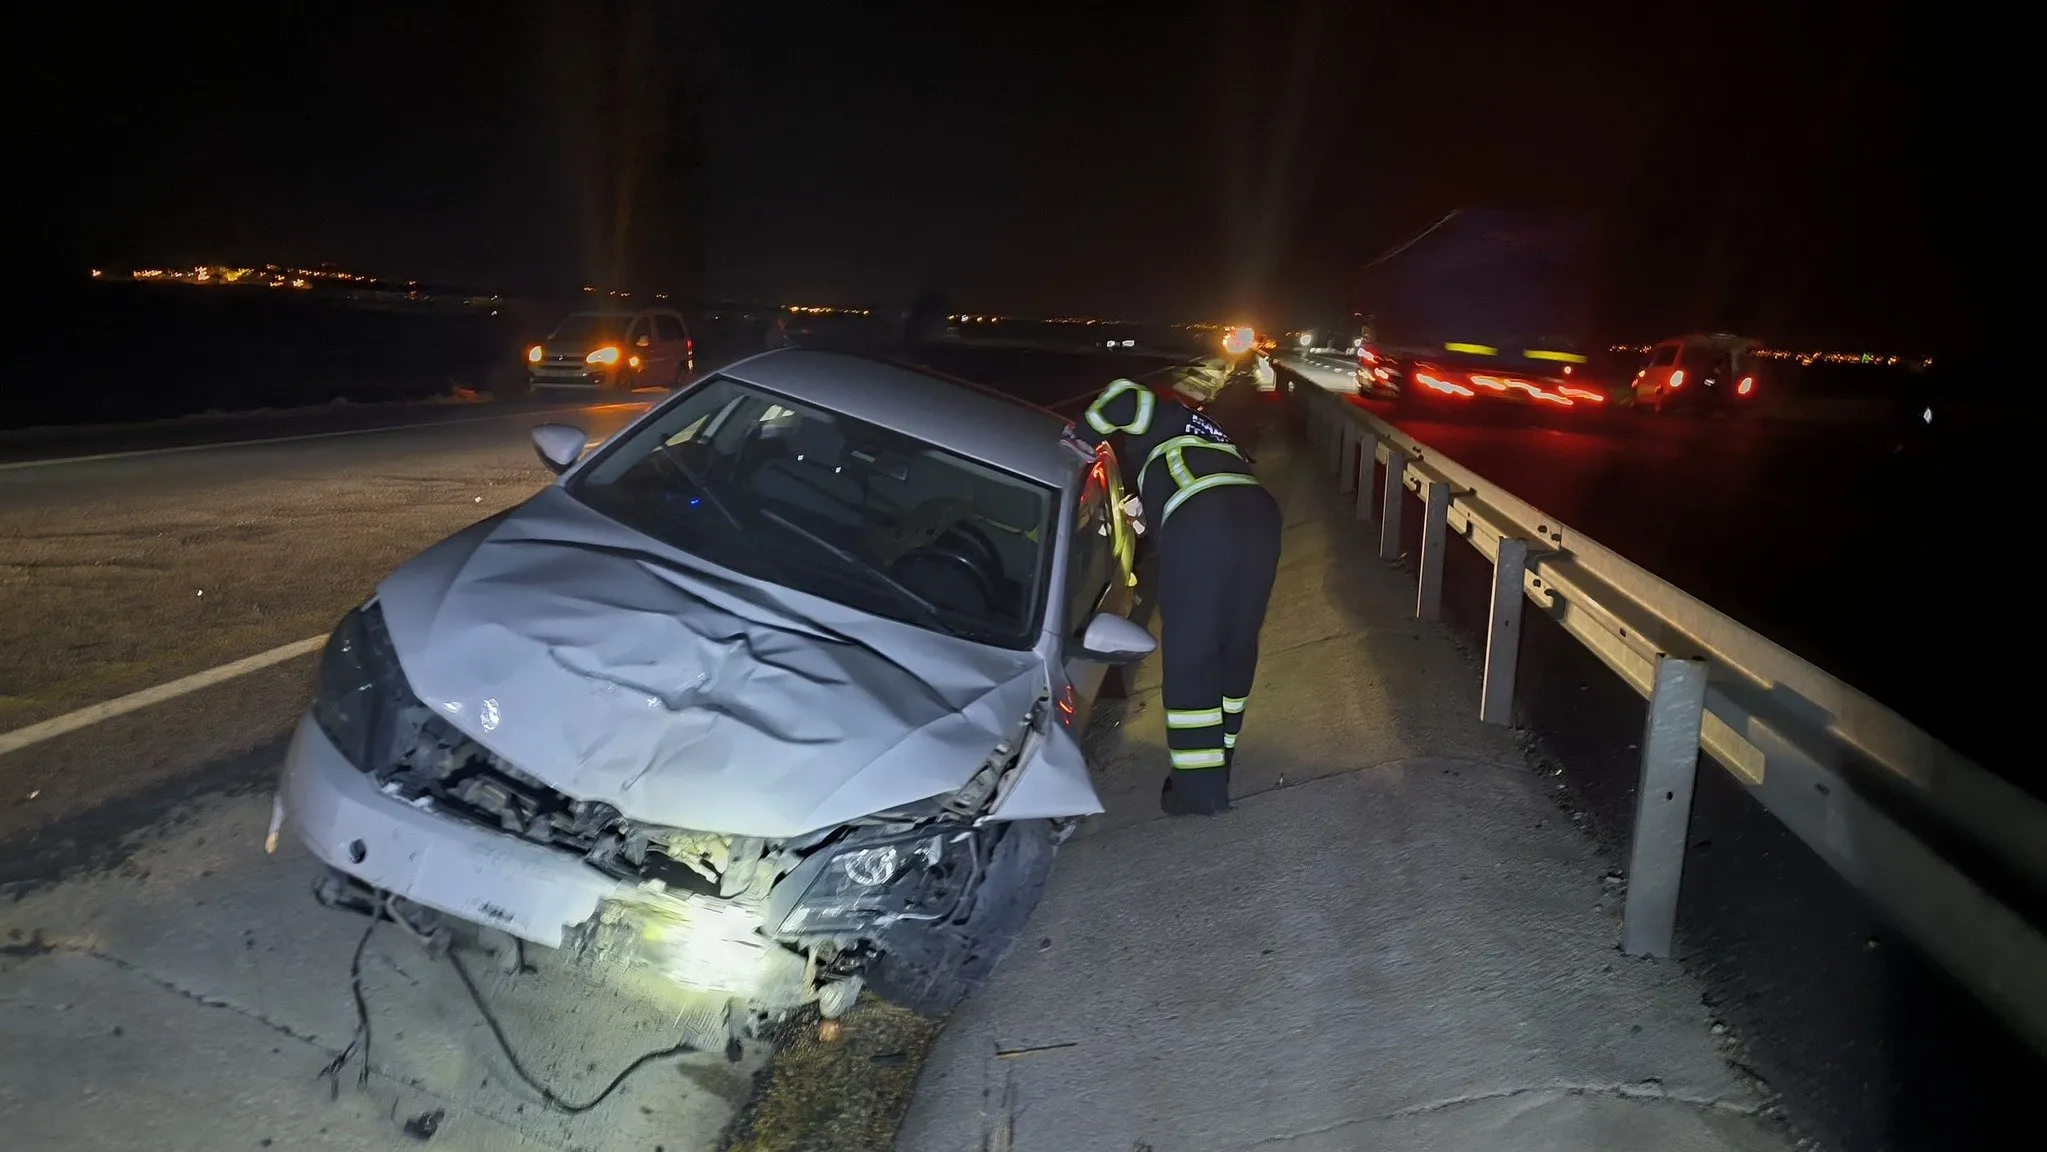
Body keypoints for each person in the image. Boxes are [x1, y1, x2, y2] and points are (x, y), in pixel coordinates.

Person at [1066, 377, 1282, 816]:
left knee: (1191, 654)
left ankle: (1196, 792)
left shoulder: (1166, 416)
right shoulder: (1206, 436)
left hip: (1204, 516)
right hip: (1259, 516)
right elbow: (1177, 495)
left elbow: (1122, 395)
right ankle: (1218, 760)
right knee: (1235, 644)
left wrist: (1078, 442)